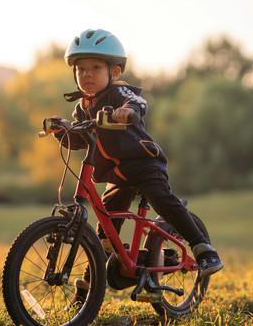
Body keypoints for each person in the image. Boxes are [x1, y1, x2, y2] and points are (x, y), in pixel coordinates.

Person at [46, 29, 223, 301]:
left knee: (163, 201)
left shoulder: (118, 93)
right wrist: (62, 131)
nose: (87, 74)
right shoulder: (82, 107)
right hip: (117, 175)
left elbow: (138, 102)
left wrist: (129, 112)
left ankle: (204, 249)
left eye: (95, 67)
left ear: (114, 73)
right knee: (105, 230)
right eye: (80, 69)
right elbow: (81, 141)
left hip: (143, 165)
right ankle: (88, 290)